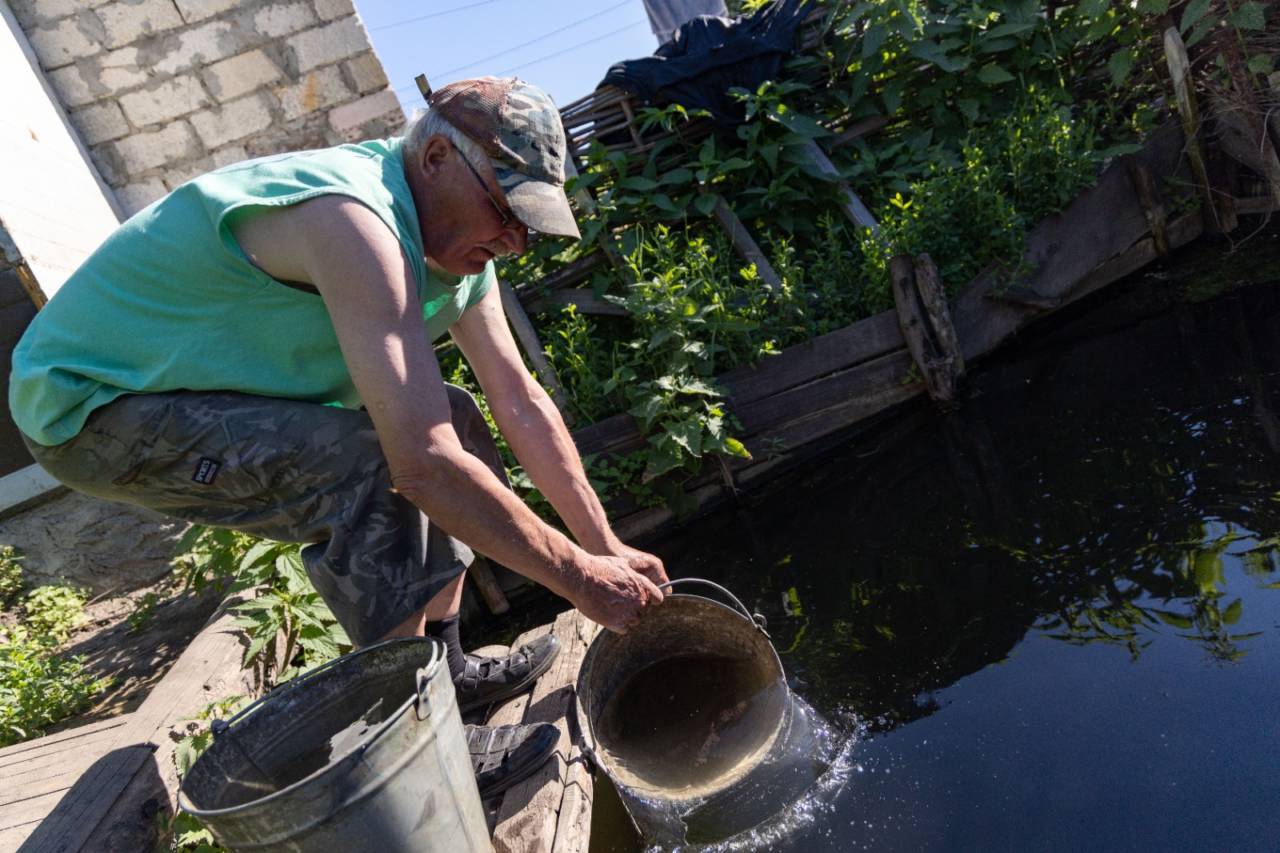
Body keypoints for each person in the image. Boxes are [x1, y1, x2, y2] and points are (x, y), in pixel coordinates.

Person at [8, 76, 668, 798]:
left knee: (455, 415)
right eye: (504, 210)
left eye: (528, 225)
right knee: (367, 463)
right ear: (438, 157)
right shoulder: (354, 217)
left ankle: (447, 668)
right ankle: (421, 740)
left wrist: (604, 545)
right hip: (94, 406)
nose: (513, 240)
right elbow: (419, 466)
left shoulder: (459, 260)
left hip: (195, 390)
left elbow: (521, 401)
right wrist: (577, 579)